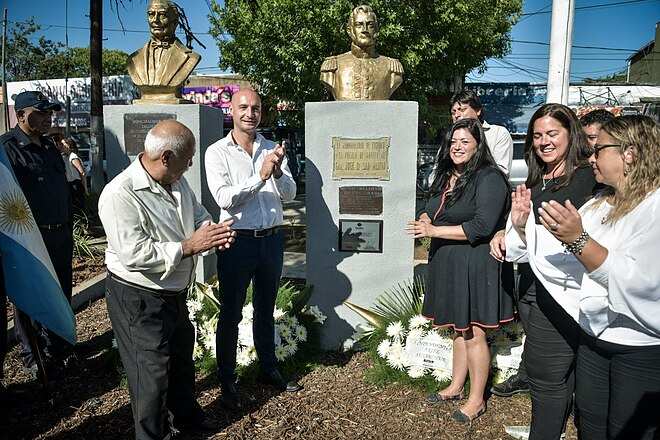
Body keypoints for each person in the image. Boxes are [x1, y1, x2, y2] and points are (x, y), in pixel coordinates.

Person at [510, 115, 660, 440]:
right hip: (594, 337)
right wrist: (524, 228)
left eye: (600, 149)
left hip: (638, 346)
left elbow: (640, 279)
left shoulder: (655, 206)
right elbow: (561, 252)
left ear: (630, 153)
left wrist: (579, 240)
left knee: (629, 430)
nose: (591, 156)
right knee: (590, 423)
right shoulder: (600, 202)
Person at [98, 120, 235, 439]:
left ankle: (186, 421)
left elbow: (198, 215)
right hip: (138, 297)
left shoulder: (176, 181)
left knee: (180, 362)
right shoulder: (120, 193)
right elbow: (135, 254)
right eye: (188, 159)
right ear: (167, 157)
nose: (190, 166)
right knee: (151, 375)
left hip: (172, 293)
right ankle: (151, 434)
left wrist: (212, 232)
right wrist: (189, 246)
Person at [407, 118, 512, 423]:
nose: (457, 147)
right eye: (453, 141)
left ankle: (477, 399)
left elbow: (481, 227)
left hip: (474, 264)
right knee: (459, 328)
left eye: (465, 141)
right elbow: (428, 206)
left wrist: (433, 231)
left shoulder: (489, 177)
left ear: (479, 145)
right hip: (448, 261)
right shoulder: (448, 176)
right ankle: (455, 386)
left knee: (474, 333)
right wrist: (425, 216)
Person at [502, 103, 598, 440]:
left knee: (548, 380)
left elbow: (567, 244)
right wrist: (516, 225)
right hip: (534, 291)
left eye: (552, 133)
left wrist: (523, 231)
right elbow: (518, 248)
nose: (543, 141)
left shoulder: (585, 180)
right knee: (551, 381)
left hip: (565, 298)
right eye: (537, 135)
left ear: (571, 135)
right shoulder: (539, 178)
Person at [205, 88, 300, 411]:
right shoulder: (217, 152)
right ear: (230, 110)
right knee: (230, 312)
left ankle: (268, 367)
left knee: (266, 308)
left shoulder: (272, 148)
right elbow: (225, 199)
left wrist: (276, 172)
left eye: (256, 108)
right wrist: (259, 177)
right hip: (236, 241)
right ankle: (227, 377)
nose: (250, 113)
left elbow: (289, 193)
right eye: (243, 107)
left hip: (271, 239)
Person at [1, 90, 74, 377]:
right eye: (40, 113)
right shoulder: (6, 149)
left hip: (59, 235)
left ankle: (58, 349)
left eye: (49, 113)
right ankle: (34, 357)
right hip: (30, 240)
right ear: (20, 115)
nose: (47, 118)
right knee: (29, 300)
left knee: (60, 294)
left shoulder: (49, 147)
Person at [320, 4, 404, 100]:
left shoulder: (392, 68)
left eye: (370, 25)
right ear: (350, 30)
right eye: (359, 25)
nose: (364, 30)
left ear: (376, 30)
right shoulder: (333, 67)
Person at [127, 0, 201, 104]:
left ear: (175, 22)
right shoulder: (133, 60)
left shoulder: (191, 58)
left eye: (162, 15)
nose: (155, 20)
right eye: (151, 14)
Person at [450, 90, 514, 175]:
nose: (457, 115)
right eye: (453, 112)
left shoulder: (498, 134)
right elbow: (436, 174)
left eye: (462, 109)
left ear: (478, 110)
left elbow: (502, 173)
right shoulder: (449, 137)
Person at [57, 137, 88, 214]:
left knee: (78, 206)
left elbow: (82, 172)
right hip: (69, 184)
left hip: (75, 184)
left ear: (68, 145)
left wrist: (84, 187)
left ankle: (82, 221)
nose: (61, 146)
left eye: (63, 144)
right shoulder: (65, 156)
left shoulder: (73, 156)